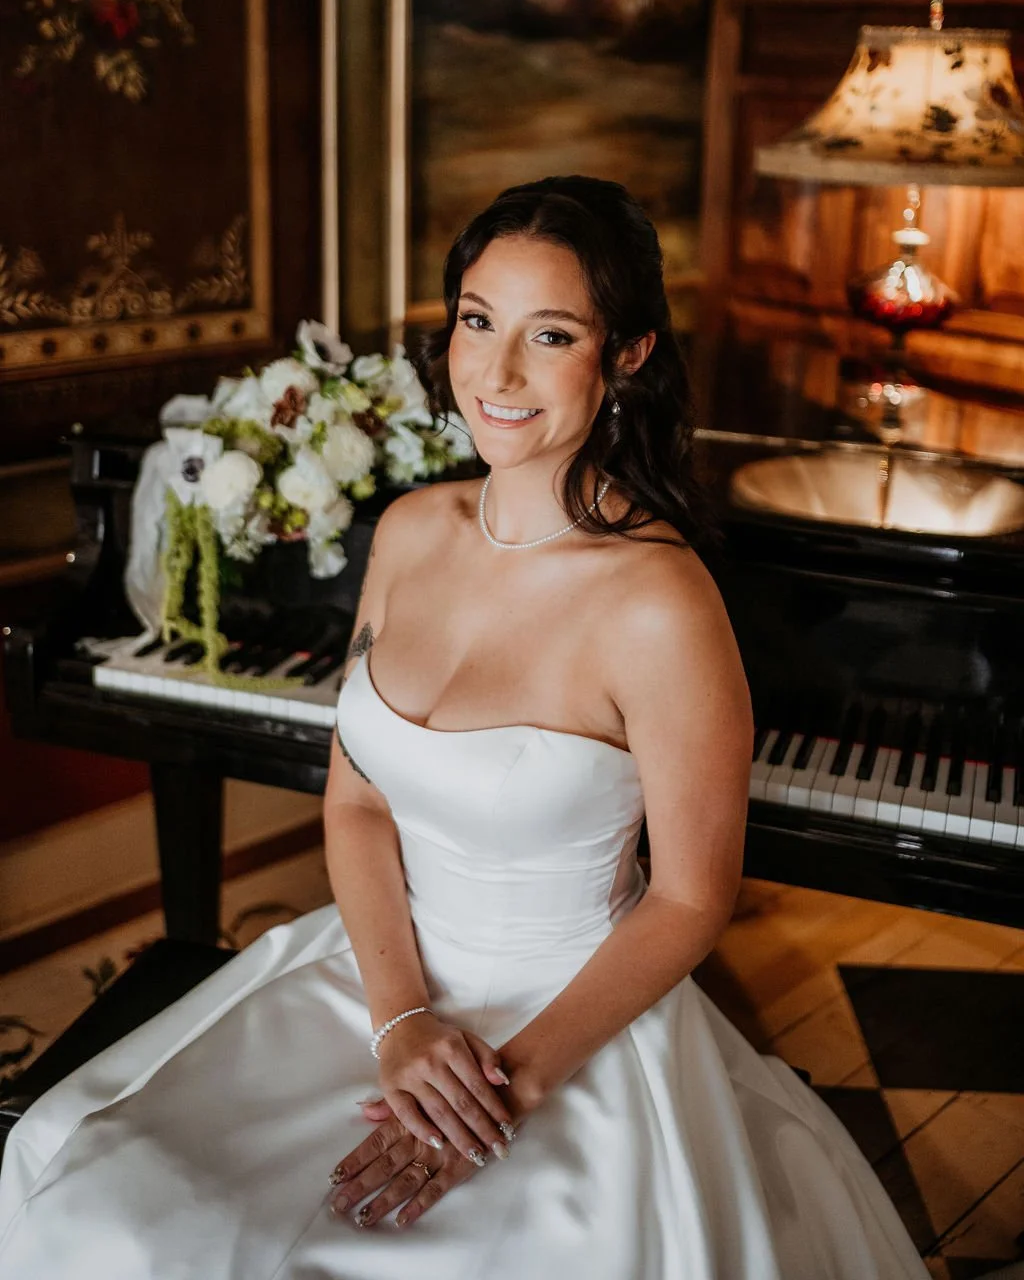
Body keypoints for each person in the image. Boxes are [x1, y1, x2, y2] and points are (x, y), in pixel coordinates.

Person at [0, 176, 932, 1278]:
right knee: (90, 1181)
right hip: (377, 973)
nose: (494, 374)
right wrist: (401, 1025)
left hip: (564, 1019)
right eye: (477, 322)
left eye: (550, 335)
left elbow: (689, 897)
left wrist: (498, 1094)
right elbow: (353, 803)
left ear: (626, 354)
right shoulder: (408, 529)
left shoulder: (660, 605)